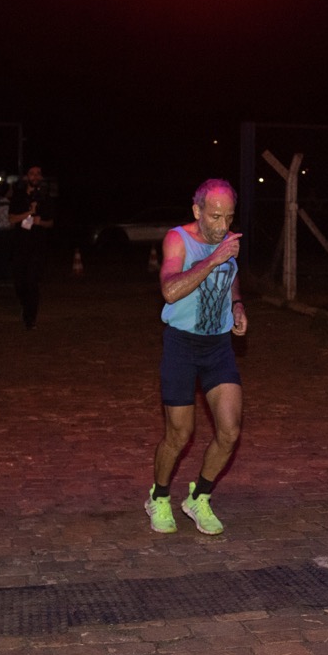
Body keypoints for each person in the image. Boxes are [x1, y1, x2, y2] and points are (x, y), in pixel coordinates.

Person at [145, 179, 248, 536]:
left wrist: (237, 305)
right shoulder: (178, 239)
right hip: (182, 345)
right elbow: (170, 290)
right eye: (215, 217)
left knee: (230, 431)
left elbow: (231, 276)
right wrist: (213, 258)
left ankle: (199, 496)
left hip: (218, 346)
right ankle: (159, 496)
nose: (223, 226)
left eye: (229, 217)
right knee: (179, 434)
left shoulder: (228, 240)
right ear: (197, 211)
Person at [7, 166, 55, 328]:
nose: (35, 176)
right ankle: (24, 304)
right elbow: (11, 219)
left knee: (32, 282)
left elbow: (51, 223)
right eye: (32, 174)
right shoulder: (19, 196)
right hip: (20, 245)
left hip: (38, 247)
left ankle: (30, 318)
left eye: (38, 174)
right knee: (20, 283)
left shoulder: (46, 198)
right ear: (27, 177)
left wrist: (40, 222)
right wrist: (29, 213)